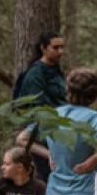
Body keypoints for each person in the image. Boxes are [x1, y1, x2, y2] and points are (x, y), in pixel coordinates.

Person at [16, 31, 67, 182]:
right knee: (49, 178)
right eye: (55, 48)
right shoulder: (35, 74)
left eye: (62, 47)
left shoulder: (56, 71)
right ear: (43, 49)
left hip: (59, 131)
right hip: (41, 134)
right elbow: (39, 108)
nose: (60, 52)